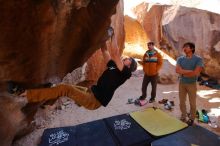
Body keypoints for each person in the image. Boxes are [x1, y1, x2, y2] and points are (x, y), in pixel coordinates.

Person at [19, 27, 137, 110]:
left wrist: (113, 34)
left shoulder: (126, 73)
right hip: (90, 92)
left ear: (129, 65)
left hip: (94, 101)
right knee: (62, 89)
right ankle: (47, 101)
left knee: (65, 89)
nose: (126, 58)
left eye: (128, 59)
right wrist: (103, 38)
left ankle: (27, 94)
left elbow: (115, 53)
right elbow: (105, 50)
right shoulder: (113, 66)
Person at [176, 42, 204, 126]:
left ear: (192, 48)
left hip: (192, 84)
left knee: (192, 103)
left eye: (187, 47)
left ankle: (191, 118)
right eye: (184, 47)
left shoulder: (198, 59)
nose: (184, 48)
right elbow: (177, 70)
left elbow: (196, 73)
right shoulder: (180, 59)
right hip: (182, 83)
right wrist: (189, 71)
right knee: (181, 102)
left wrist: (183, 73)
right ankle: (183, 116)